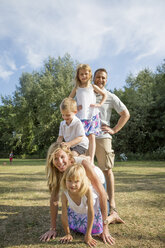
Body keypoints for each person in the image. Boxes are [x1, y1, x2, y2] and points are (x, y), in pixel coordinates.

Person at [40, 142, 115, 245]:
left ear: (68, 155)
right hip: (80, 192)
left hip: (97, 185)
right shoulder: (56, 170)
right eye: (55, 159)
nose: (60, 162)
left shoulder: (83, 164)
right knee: (79, 213)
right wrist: (52, 228)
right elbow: (54, 199)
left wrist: (105, 227)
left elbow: (102, 193)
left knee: (96, 213)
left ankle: (113, 215)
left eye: (62, 157)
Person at [94, 68, 130, 223]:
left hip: (103, 136)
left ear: (106, 80)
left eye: (103, 78)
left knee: (107, 170)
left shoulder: (110, 96)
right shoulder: (86, 93)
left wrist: (114, 129)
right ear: (93, 78)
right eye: (97, 77)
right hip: (85, 137)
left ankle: (112, 206)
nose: (100, 80)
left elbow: (125, 114)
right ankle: (90, 205)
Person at [69, 64, 106, 164]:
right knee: (81, 137)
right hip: (81, 115)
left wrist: (99, 104)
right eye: (81, 74)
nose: (84, 76)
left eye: (86, 74)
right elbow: (68, 100)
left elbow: (104, 95)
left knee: (92, 136)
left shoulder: (92, 87)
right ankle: (82, 157)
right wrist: (75, 107)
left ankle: (91, 159)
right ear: (78, 75)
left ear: (90, 75)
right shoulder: (76, 88)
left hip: (92, 114)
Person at [60, 164, 103, 247]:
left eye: (76, 181)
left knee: (96, 231)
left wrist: (88, 235)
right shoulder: (64, 193)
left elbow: (91, 212)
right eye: (69, 180)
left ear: (82, 181)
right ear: (64, 179)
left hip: (92, 212)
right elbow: (64, 214)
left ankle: (112, 216)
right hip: (78, 212)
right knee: (77, 229)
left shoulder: (87, 191)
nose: (72, 185)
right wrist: (67, 233)